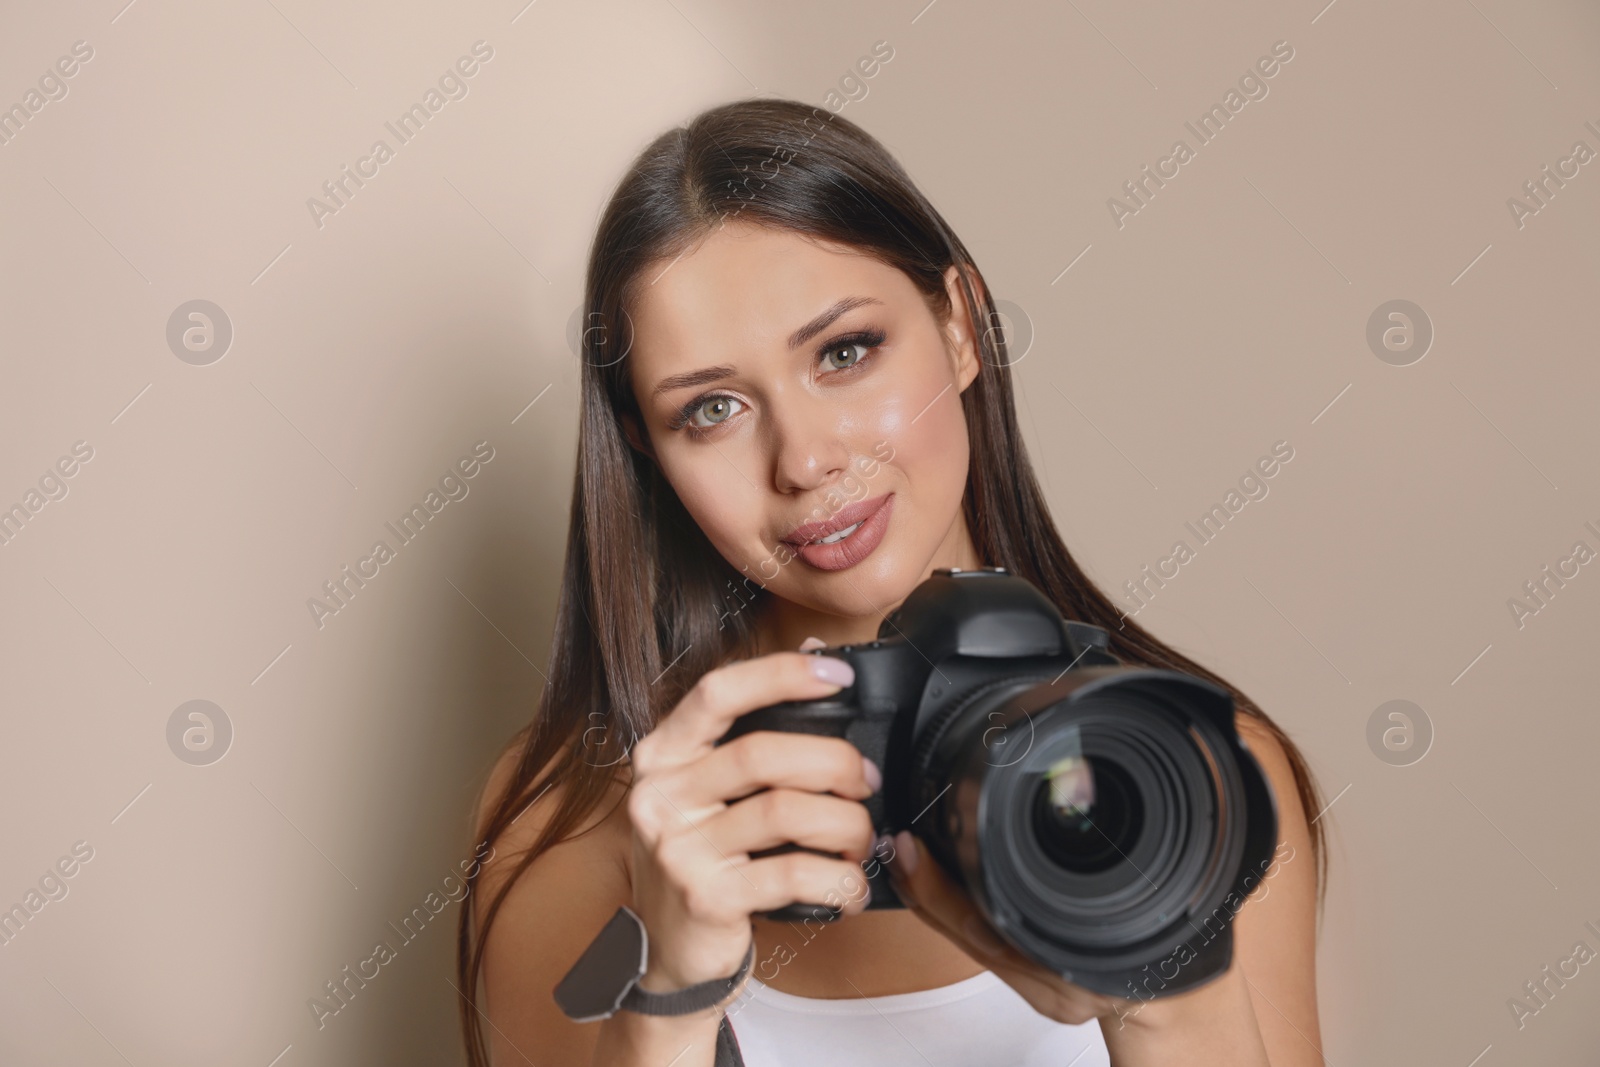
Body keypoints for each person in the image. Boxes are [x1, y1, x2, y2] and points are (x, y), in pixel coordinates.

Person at [455, 97, 1327, 1067]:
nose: (805, 459)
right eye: (711, 407)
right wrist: (669, 990)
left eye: (844, 351)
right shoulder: (585, 808)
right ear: (646, 449)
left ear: (958, 324)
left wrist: (1161, 998)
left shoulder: (1190, 770)